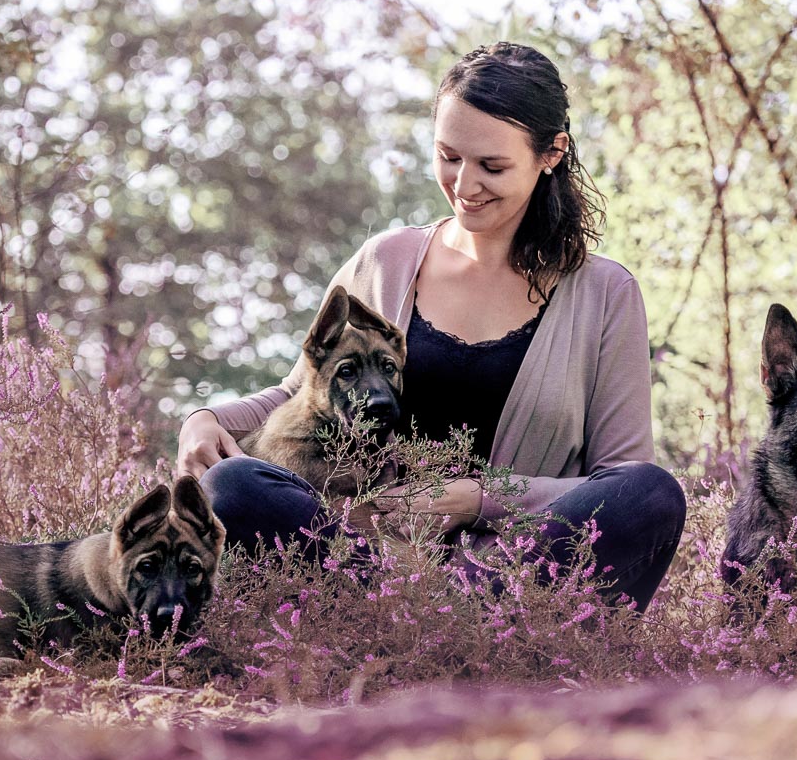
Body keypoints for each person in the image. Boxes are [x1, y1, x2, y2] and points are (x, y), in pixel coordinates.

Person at [177, 42, 685, 612]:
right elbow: (302, 394)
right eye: (449, 156)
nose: (465, 185)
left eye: (492, 166)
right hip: (362, 560)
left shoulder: (605, 295)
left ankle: (474, 618)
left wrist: (479, 500)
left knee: (651, 494)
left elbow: (616, 478)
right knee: (237, 486)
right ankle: (398, 617)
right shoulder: (388, 261)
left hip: (513, 565)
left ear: (551, 153)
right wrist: (205, 418)